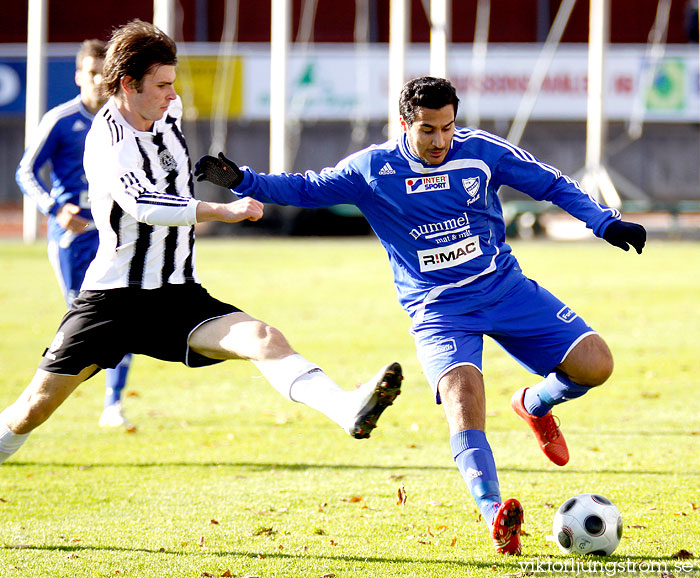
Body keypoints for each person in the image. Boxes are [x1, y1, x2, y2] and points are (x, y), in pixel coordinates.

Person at [194, 76, 647, 555]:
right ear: (405, 122)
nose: (441, 141)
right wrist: (242, 180)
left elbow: (550, 182)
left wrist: (605, 221)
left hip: (505, 288)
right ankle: (495, 514)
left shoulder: (480, 152)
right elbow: (306, 188)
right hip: (438, 310)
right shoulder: (373, 169)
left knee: (597, 364)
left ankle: (534, 405)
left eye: (448, 127)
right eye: (428, 129)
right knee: (463, 396)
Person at [0, 20, 402, 468]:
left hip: (176, 294)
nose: (173, 94)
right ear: (128, 85)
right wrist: (221, 210)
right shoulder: (105, 140)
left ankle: (346, 408)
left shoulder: (167, 113)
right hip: (112, 300)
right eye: (162, 85)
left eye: (173, 83)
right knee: (32, 409)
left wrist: (223, 177)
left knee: (263, 337)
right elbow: (143, 205)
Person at [16, 39, 135, 428]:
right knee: (83, 318)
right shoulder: (61, 120)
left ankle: (113, 405)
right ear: (78, 75)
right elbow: (26, 172)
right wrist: (54, 208)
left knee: (123, 315)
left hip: (115, 232)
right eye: (91, 72)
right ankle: (43, 394)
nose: (98, 79)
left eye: (104, 72)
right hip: (72, 237)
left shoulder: (127, 121)